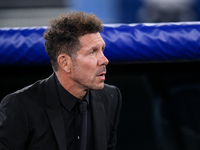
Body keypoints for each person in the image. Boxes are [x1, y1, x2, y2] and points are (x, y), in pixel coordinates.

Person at [0, 12, 122, 150]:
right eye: (92, 52)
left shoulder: (111, 97)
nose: (105, 60)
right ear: (65, 63)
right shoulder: (19, 107)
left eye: (102, 50)